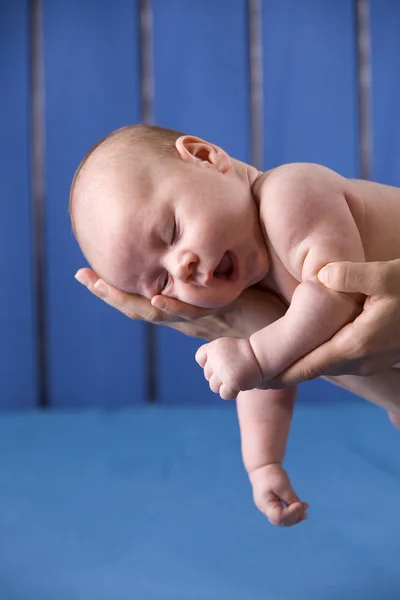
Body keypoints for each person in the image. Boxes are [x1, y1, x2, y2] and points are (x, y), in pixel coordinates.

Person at [70, 124, 400, 527]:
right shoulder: (253, 293)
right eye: (162, 282)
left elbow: (336, 297)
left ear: (206, 157)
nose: (182, 267)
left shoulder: (289, 193)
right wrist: (264, 462)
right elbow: (267, 378)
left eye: (171, 232)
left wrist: (254, 354)